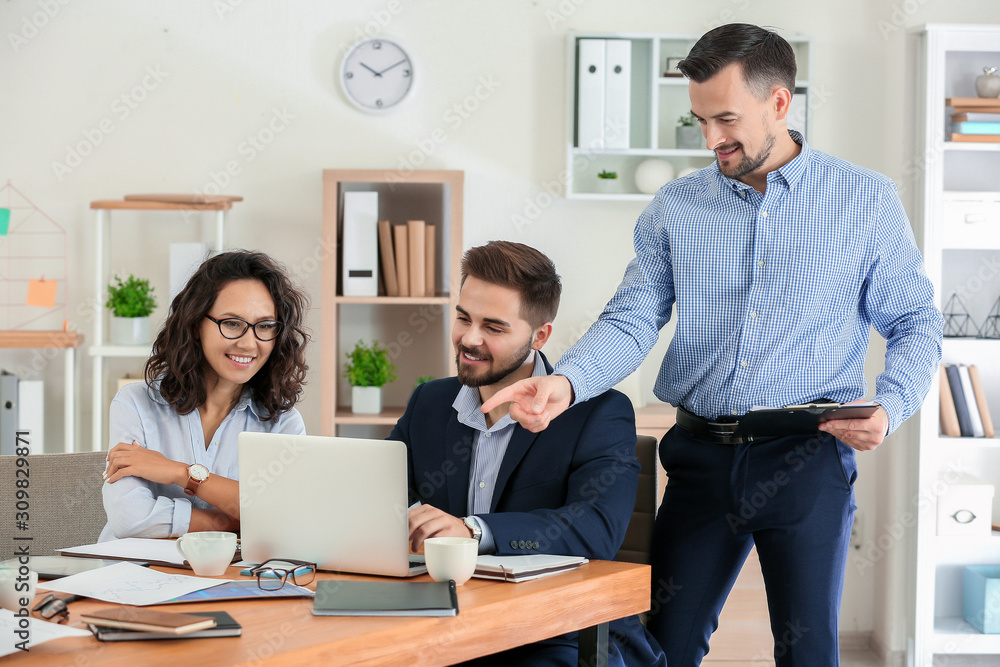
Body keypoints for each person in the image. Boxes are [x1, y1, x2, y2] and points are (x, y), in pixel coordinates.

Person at [483, 23, 943, 666]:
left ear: (779, 103)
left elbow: (916, 321)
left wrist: (891, 406)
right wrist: (565, 382)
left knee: (808, 652)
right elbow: (633, 319)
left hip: (807, 454)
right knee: (661, 647)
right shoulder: (677, 207)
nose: (711, 140)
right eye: (699, 120)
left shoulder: (863, 200)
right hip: (701, 456)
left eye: (725, 119)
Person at [391, 241, 665, 667]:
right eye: (463, 317)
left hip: (558, 631)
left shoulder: (597, 413)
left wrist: (473, 531)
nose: (469, 338)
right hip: (443, 620)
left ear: (540, 336)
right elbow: (384, 489)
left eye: (494, 327)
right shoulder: (429, 401)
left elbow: (595, 530)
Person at [100, 250, 309, 540]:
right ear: (197, 324)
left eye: (264, 326)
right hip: (132, 576)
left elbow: (285, 521)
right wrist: (235, 521)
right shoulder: (134, 403)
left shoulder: (283, 423)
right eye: (232, 323)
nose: (249, 343)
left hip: (230, 580)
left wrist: (181, 472)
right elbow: (130, 519)